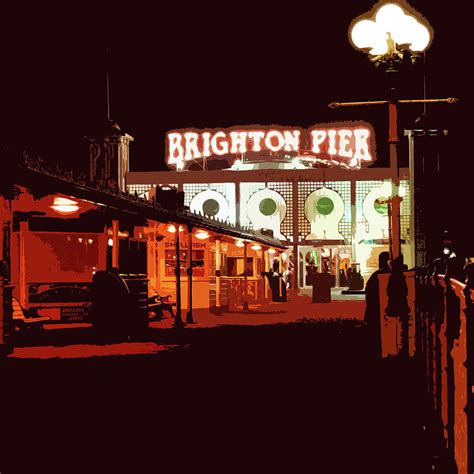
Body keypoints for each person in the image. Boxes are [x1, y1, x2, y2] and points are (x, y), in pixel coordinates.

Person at [364, 251, 390, 357]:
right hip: (380, 312)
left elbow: (369, 294)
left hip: (373, 312)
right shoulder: (386, 275)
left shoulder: (375, 276)